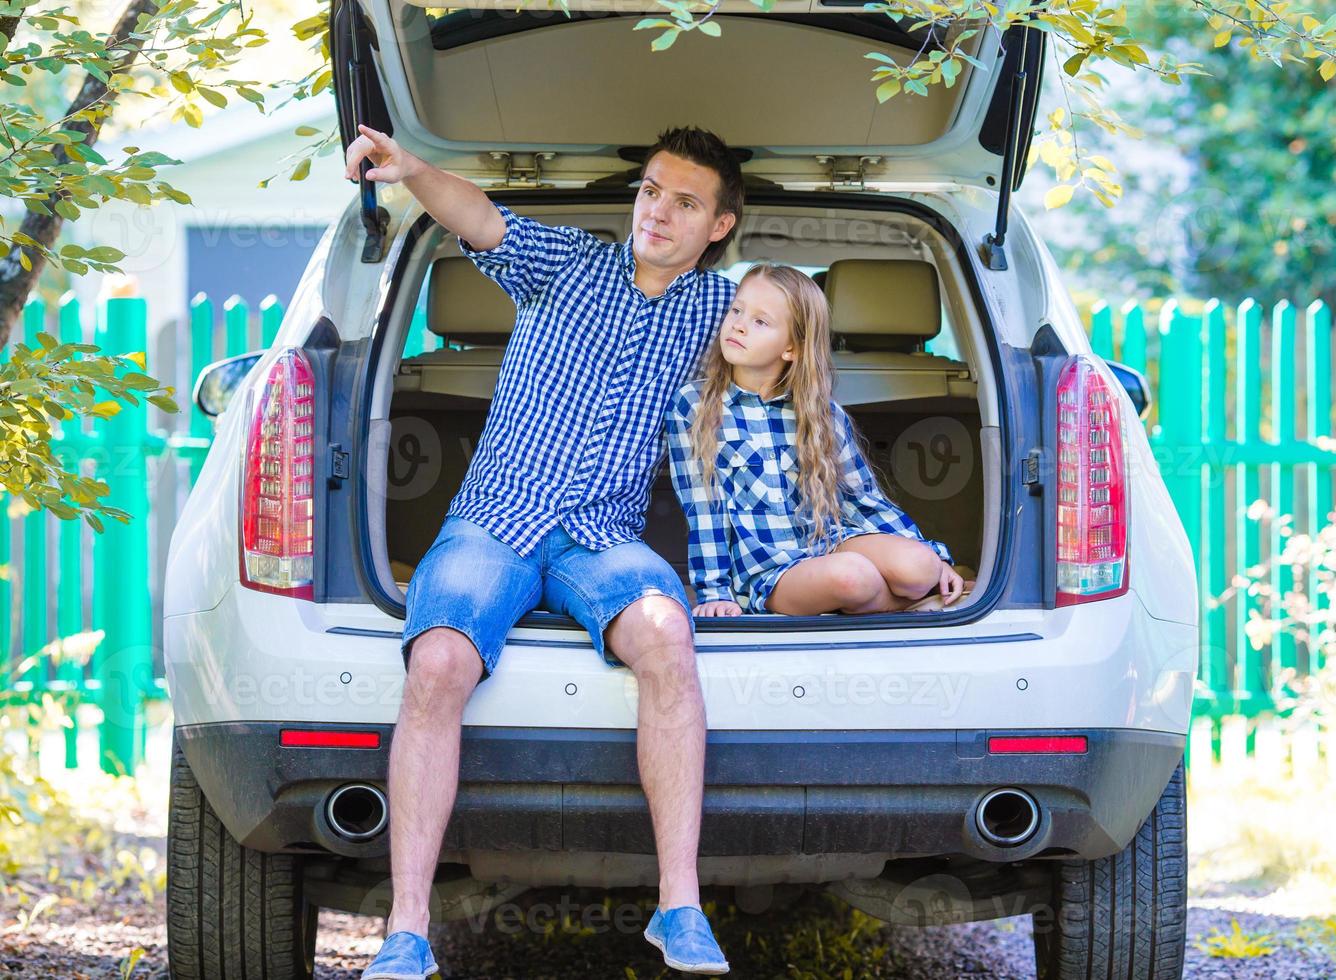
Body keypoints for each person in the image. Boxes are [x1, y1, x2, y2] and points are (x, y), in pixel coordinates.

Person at [343, 123, 740, 977]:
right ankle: (405, 929)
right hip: (495, 521)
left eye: (684, 204)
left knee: (667, 635)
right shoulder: (569, 262)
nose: (657, 214)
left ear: (718, 227)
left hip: (603, 541)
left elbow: (793, 370)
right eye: (649, 192)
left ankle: (679, 909)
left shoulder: (722, 311)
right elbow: (480, 218)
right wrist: (411, 168)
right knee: (440, 660)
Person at [665, 263, 970, 618]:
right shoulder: (696, 405)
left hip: (831, 543)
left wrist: (937, 560)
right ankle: (906, 604)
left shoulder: (822, 412)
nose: (739, 325)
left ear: (791, 348)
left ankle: (906, 591)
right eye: (737, 310)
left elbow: (864, 500)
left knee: (919, 566)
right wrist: (714, 591)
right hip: (769, 573)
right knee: (855, 577)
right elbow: (704, 509)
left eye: (761, 322)